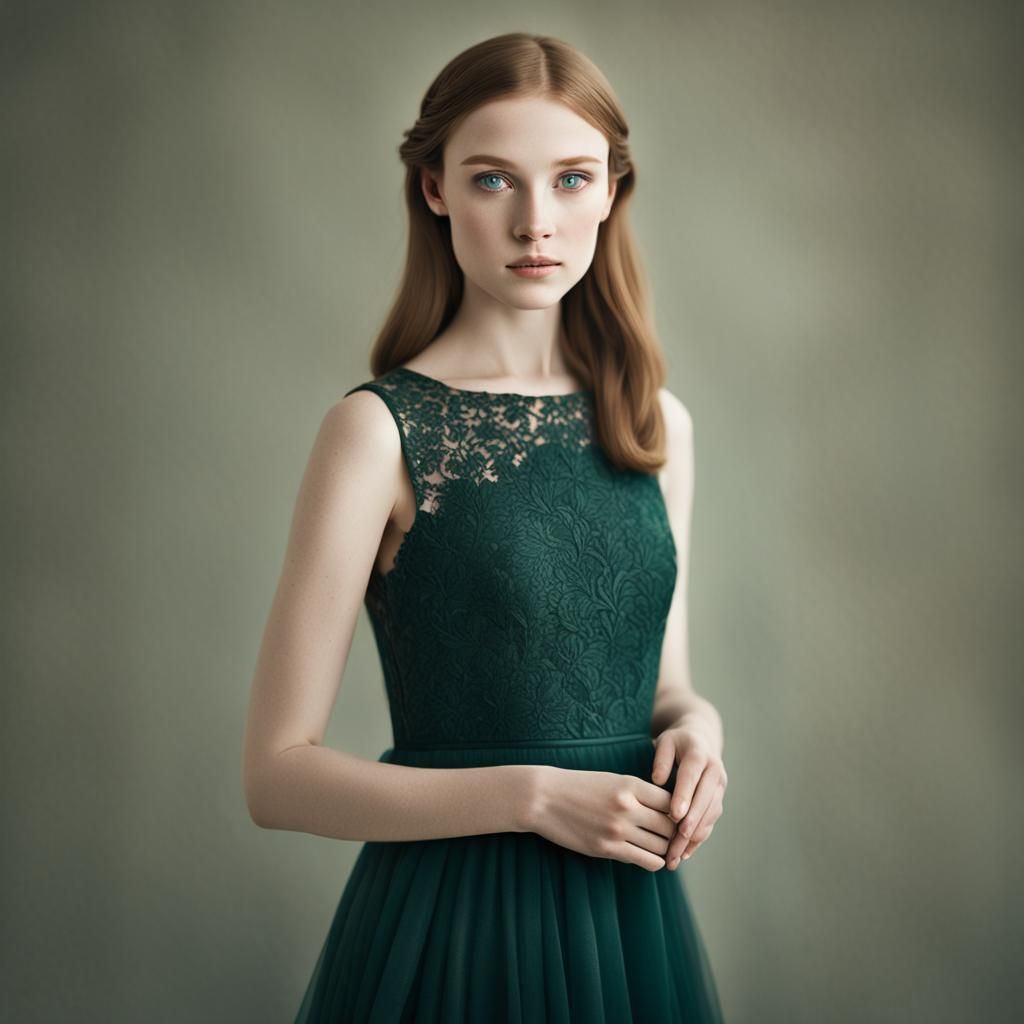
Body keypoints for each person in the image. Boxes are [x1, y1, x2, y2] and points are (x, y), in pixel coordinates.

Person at [242, 31, 728, 1022]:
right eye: (495, 179)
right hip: (449, 924)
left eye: (570, 178)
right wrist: (532, 797)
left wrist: (696, 727)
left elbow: (662, 681)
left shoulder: (654, 424)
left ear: (609, 191)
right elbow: (276, 776)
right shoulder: (377, 431)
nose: (536, 222)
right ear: (435, 188)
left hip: (626, 921)